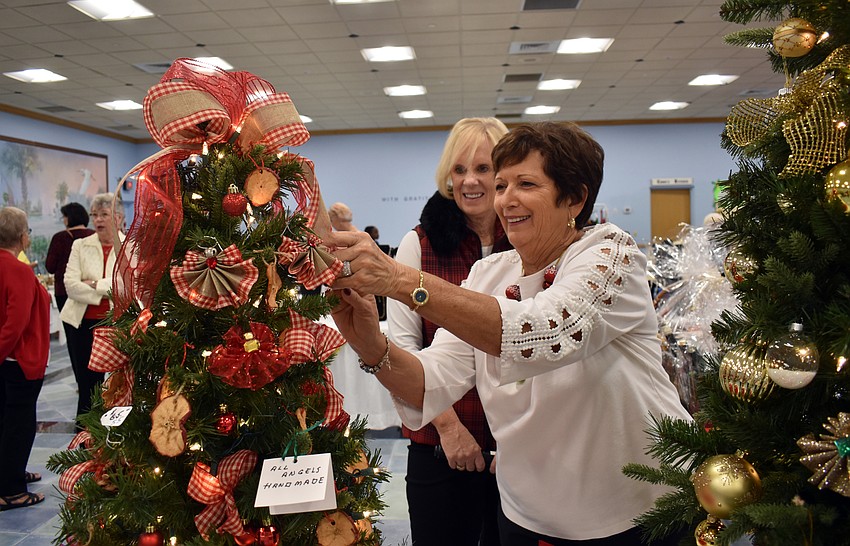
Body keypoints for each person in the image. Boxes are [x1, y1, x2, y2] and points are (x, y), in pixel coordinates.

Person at [328, 122, 691, 545]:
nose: (506, 199)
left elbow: (547, 330)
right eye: (502, 185)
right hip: (527, 515)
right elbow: (429, 381)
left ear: (574, 197)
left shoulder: (611, 254)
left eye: (526, 183)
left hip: (635, 513)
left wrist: (399, 280)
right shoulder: (487, 275)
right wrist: (368, 341)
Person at [387, 117, 511, 546]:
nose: (470, 181)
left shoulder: (532, 246)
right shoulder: (418, 245)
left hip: (521, 451)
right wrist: (449, 427)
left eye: (483, 168)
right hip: (440, 448)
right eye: (459, 171)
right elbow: (403, 348)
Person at [60, 193, 125, 429]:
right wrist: (107, 286)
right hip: (81, 325)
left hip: (115, 325)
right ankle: (84, 437)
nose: (97, 219)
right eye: (94, 214)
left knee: (117, 384)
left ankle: (113, 435)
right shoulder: (80, 245)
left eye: (104, 214)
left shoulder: (127, 246)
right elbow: (70, 285)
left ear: (117, 218)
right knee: (87, 385)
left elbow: (126, 286)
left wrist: (94, 283)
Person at [0, 207, 49, 511]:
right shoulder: (17, 269)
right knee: (19, 425)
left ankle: (10, 473)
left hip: (8, 360)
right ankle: (11, 490)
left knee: (6, 422)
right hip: (17, 360)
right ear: (22, 237)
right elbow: (15, 323)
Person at [45, 202, 94, 312]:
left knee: (70, 328)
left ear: (68, 218)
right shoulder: (94, 236)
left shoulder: (59, 238)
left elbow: (50, 267)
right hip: (90, 290)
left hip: (65, 292)